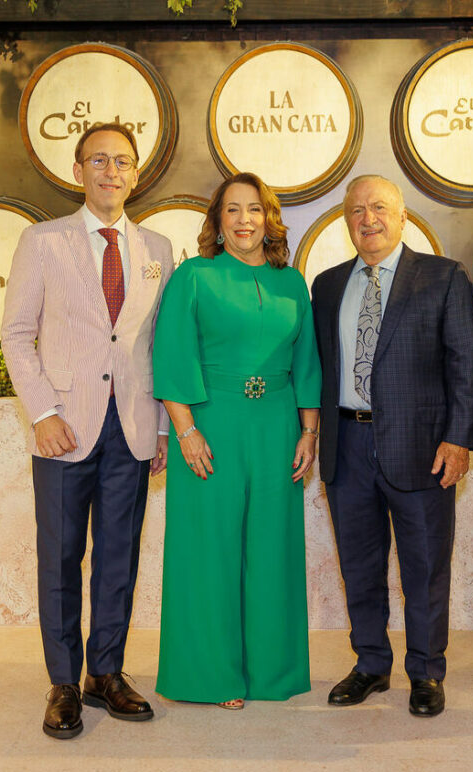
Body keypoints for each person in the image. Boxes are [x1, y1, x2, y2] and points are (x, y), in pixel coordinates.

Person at [1, 122, 174, 739]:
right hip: (65, 428)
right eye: (98, 160)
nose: (111, 171)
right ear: (78, 171)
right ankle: (64, 683)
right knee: (61, 557)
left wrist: (161, 426)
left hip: (132, 427)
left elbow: (158, 344)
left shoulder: (158, 249)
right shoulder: (42, 241)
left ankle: (105, 672)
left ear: (136, 174)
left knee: (119, 557)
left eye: (122, 161)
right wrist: (42, 413)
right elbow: (16, 335)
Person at [311, 174, 473, 718]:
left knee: (425, 567)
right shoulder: (327, 285)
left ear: (403, 216)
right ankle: (370, 664)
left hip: (422, 448)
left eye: (380, 207)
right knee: (359, 566)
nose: (369, 219)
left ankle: (426, 672)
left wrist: (459, 439)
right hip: (345, 444)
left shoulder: (443, 277)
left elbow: (466, 363)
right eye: (357, 210)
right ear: (346, 220)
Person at [152, 171, 321, 709]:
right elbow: (173, 356)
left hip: (277, 426)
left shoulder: (291, 283)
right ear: (218, 222)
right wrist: (185, 430)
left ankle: (272, 672)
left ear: (269, 219)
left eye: (254, 209)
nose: (244, 220)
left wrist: (309, 430)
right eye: (232, 210)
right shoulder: (194, 276)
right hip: (211, 424)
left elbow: (306, 361)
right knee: (210, 549)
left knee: (272, 547)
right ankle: (212, 676)